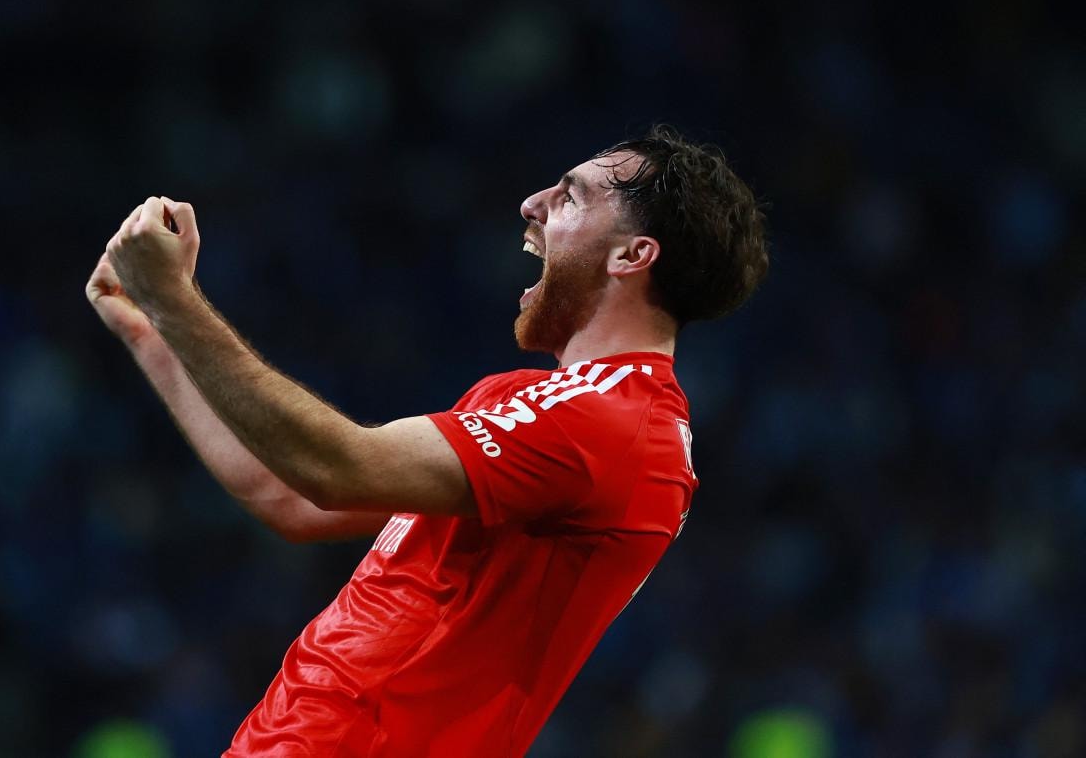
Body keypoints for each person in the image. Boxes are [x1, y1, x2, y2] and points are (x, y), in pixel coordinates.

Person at [86, 125, 769, 756]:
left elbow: (333, 467)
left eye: (570, 197)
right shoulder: (523, 400)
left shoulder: (612, 424)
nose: (532, 205)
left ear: (632, 255)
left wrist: (175, 298)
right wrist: (149, 326)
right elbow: (292, 496)